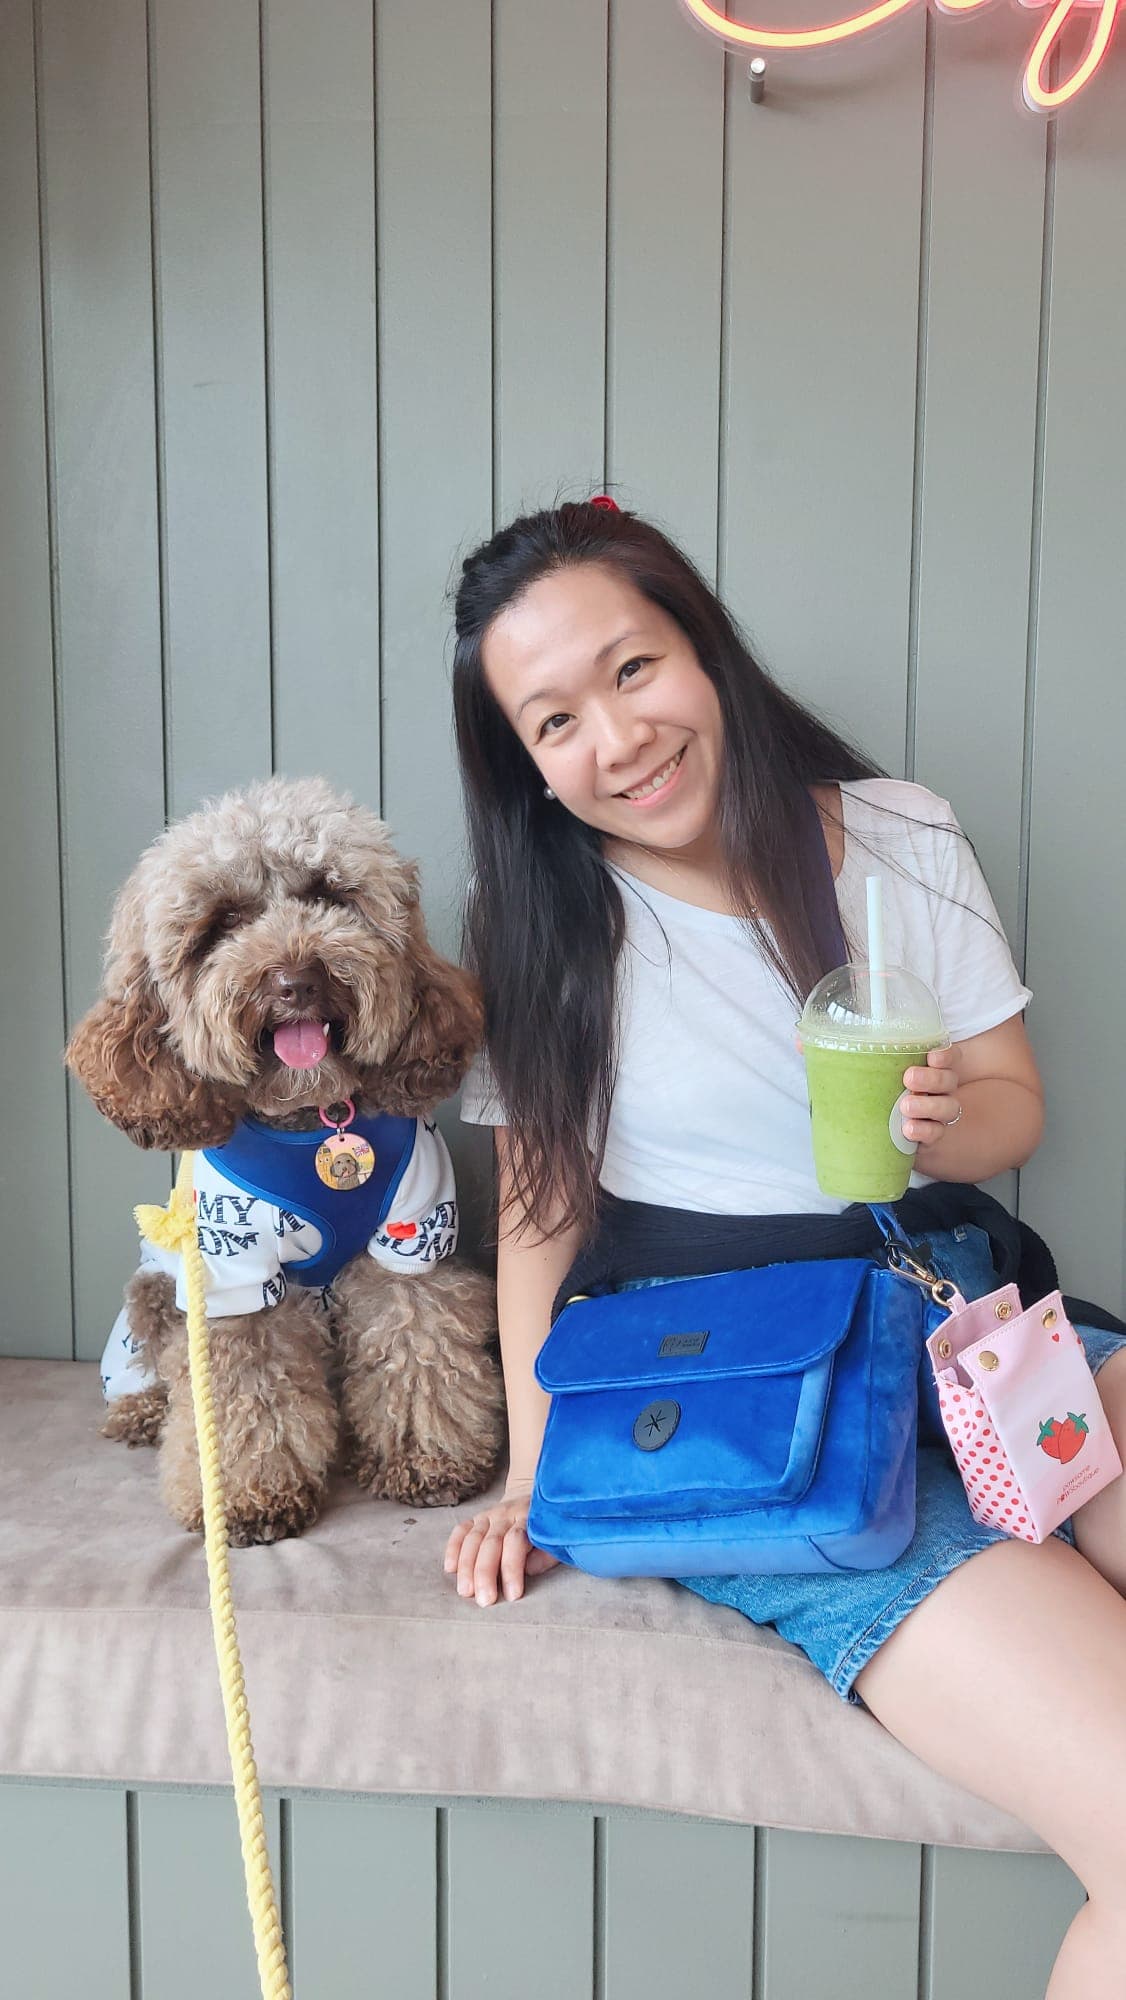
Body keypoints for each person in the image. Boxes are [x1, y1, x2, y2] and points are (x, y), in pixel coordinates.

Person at [442, 499, 1126, 1996]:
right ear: (527, 766)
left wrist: (941, 1125)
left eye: (633, 669)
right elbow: (540, 1216)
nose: (617, 739)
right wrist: (525, 1476)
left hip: (981, 1332)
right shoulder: (541, 930)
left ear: (703, 646)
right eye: (554, 721)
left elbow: (1013, 1104)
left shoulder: (895, 834)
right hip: (762, 1403)